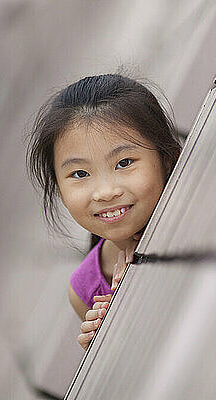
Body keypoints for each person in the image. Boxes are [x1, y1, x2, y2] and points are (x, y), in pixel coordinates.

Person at [26, 73, 181, 350]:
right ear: (58, 187)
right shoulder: (86, 290)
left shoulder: (198, 213)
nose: (105, 192)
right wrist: (107, 341)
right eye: (80, 173)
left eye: (124, 162)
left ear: (165, 158)